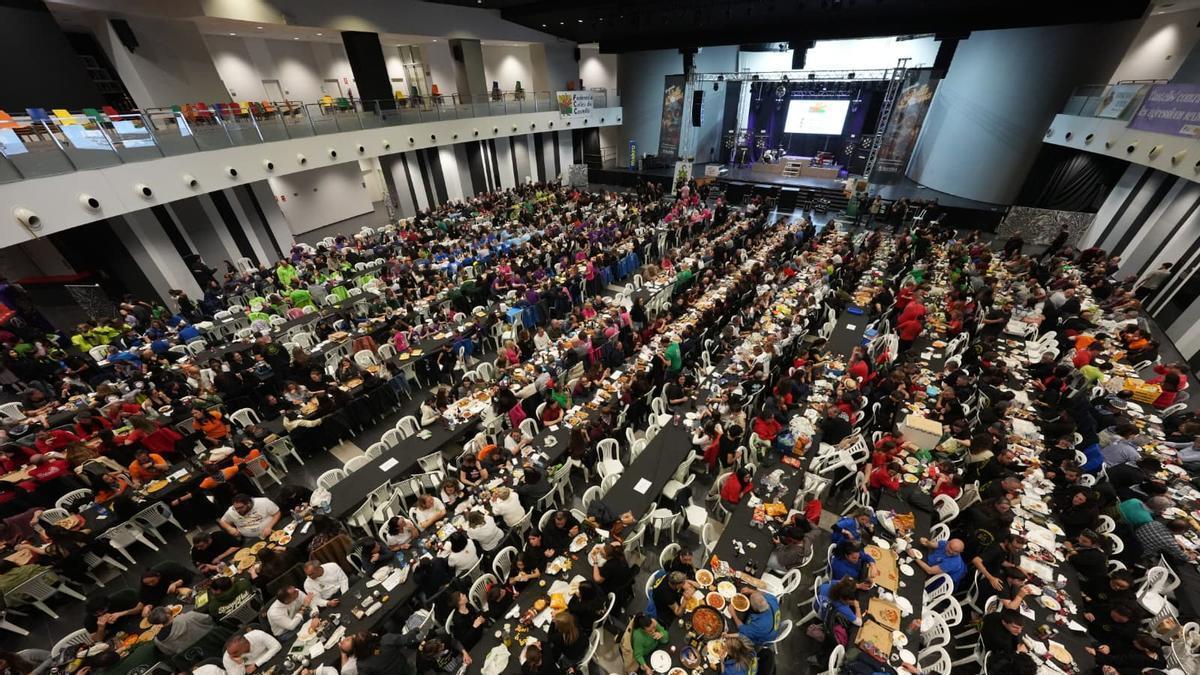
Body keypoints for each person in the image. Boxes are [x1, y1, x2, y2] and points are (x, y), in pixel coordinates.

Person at [149, 606, 215, 656]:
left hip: (197, 657)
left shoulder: (158, 641)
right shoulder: (189, 617)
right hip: (214, 642)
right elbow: (209, 619)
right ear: (167, 614)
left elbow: (170, 653)